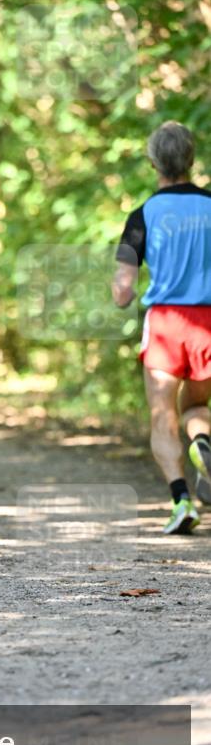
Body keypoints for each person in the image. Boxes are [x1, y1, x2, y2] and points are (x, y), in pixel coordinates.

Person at [113, 121, 211, 534]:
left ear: (154, 161)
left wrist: (125, 295)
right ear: (191, 159)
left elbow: (122, 290)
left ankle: (182, 501)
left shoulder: (142, 216)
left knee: (161, 416)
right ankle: (203, 446)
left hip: (166, 324)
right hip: (207, 323)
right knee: (195, 408)